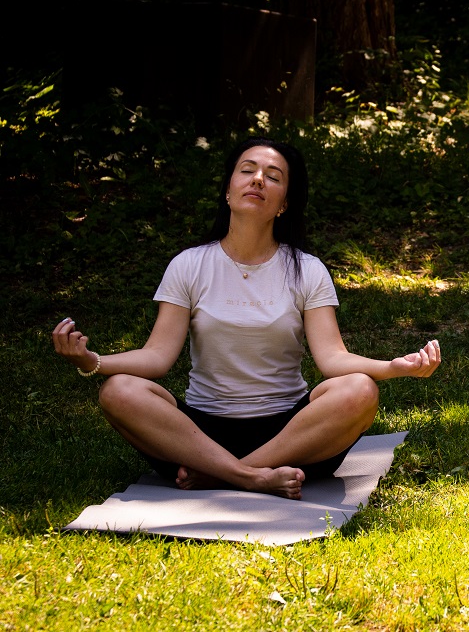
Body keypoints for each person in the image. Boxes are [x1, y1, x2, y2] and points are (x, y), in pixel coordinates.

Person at [52, 137, 441, 500]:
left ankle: (225, 475)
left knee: (359, 390)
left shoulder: (307, 270)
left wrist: (391, 367)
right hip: (200, 433)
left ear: (283, 203)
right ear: (227, 190)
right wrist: (93, 362)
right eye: (247, 170)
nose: (258, 179)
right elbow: (156, 356)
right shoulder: (190, 265)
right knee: (119, 391)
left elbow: (333, 360)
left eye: (273, 177)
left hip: (290, 434)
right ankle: (251, 478)